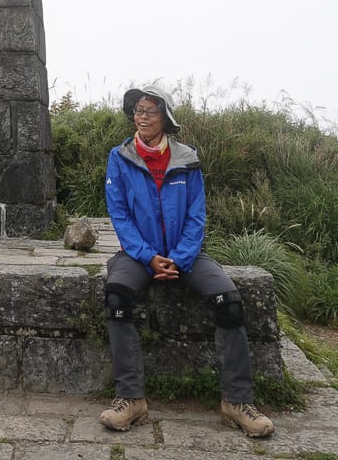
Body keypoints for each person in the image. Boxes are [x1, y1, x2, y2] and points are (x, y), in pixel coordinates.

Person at [99, 84, 274, 438]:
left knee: (230, 302)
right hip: (139, 254)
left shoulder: (187, 158)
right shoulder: (120, 157)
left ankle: (236, 401)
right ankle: (131, 399)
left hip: (187, 253)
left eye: (150, 110)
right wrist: (149, 257)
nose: (142, 116)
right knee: (117, 296)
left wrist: (178, 258)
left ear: (166, 116)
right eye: (137, 110)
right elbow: (119, 214)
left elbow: (197, 215)